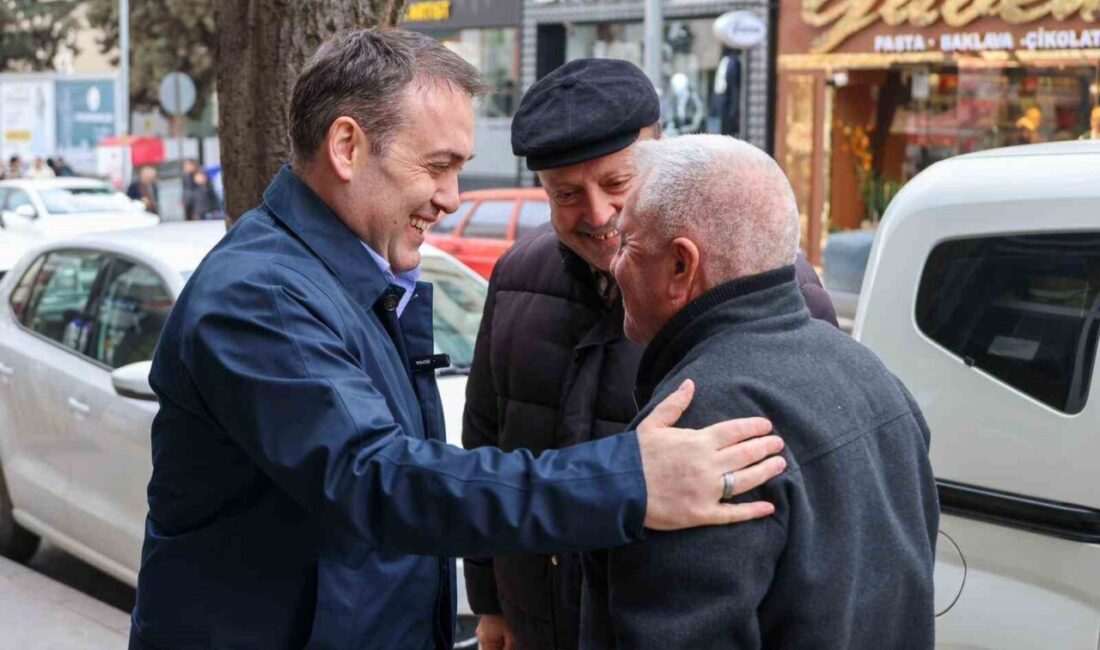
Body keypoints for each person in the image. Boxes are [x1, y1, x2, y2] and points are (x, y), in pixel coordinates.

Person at [129, 29, 787, 650]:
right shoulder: (261, 295)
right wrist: (629, 481)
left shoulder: (344, 276)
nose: (451, 197)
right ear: (347, 147)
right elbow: (379, 478)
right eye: (438, 166)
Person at [463, 58, 838, 650]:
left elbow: (815, 494)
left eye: (616, 184)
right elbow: (486, 437)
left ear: (663, 157)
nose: (596, 214)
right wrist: (490, 603)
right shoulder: (516, 275)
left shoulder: (767, 278)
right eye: (566, 194)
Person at [581, 134, 939, 648]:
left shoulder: (702, 427)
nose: (615, 267)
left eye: (628, 243)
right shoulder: (872, 375)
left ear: (682, 266)